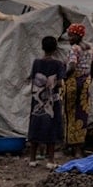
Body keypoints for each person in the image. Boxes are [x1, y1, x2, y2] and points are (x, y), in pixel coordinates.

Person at [27, 36, 66, 169]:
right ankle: (50, 160)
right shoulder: (58, 64)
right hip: (51, 100)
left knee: (35, 124)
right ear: (55, 49)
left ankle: (32, 159)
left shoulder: (36, 62)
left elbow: (33, 78)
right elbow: (60, 83)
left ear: (42, 47)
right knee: (52, 127)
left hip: (36, 98)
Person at [63, 23, 93, 158]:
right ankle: (79, 148)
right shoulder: (90, 48)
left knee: (70, 113)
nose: (69, 38)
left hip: (73, 82)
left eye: (71, 35)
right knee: (82, 113)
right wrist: (89, 79)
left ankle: (72, 147)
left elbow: (71, 66)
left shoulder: (75, 49)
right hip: (85, 82)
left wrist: (63, 77)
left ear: (77, 35)